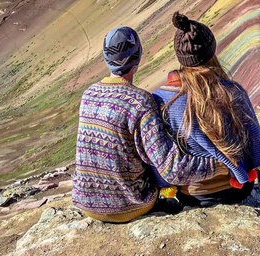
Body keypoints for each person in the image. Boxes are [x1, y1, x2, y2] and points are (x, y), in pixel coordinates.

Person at [72, 26, 218, 222]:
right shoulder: (140, 102)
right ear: (138, 56)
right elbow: (171, 168)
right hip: (128, 206)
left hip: (85, 204)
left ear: (106, 58)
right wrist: (217, 164)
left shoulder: (88, 94)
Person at [153, 12, 260, 207]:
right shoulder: (232, 90)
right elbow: (255, 138)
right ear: (212, 50)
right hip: (237, 189)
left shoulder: (161, 99)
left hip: (191, 194)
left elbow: (158, 150)